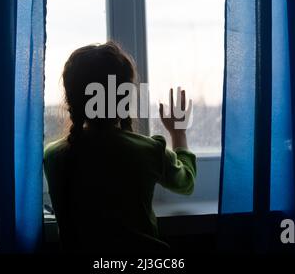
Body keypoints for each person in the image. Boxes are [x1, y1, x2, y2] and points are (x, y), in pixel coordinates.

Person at [44, 41, 196, 252]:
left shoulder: (53, 156)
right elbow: (186, 183)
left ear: (71, 98)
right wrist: (178, 133)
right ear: (126, 98)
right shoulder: (150, 150)